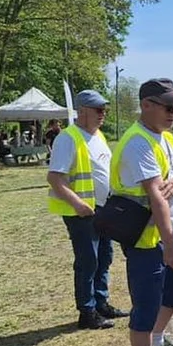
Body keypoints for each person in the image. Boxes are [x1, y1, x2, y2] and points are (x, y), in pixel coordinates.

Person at [110, 78, 173, 346]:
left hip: (167, 237)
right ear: (146, 105)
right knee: (145, 308)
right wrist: (171, 245)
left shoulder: (166, 139)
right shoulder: (138, 142)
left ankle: (158, 343)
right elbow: (155, 196)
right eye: (168, 106)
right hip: (147, 241)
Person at [47, 90, 129, 329]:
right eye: (98, 110)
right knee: (88, 261)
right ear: (81, 111)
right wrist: (78, 204)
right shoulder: (68, 138)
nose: (102, 114)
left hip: (102, 210)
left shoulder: (98, 135)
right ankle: (87, 311)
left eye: (104, 109)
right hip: (82, 213)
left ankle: (101, 303)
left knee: (104, 257)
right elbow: (55, 178)